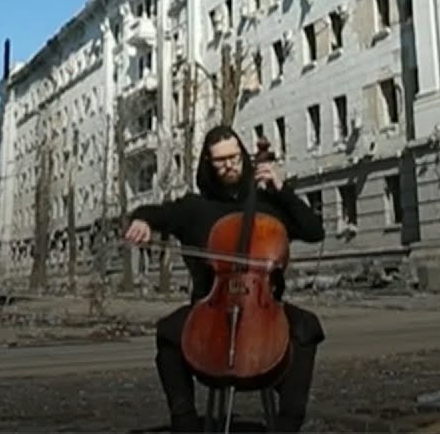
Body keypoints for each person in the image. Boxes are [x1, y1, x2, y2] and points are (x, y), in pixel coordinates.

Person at [124, 124, 326, 433]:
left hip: (264, 310)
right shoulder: (195, 208)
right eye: (220, 160)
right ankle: (185, 422)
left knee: (307, 327)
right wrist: (142, 221)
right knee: (168, 333)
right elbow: (157, 212)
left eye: (234, 157)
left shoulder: (270, 205)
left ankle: (288, 424)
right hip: (211, 312)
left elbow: (314, 231)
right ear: (208, 163)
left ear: (244, 156)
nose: (229, 164)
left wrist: (282, 190)